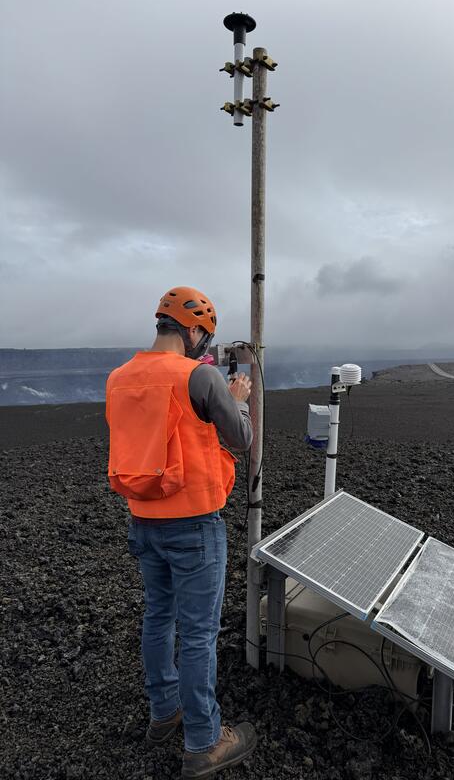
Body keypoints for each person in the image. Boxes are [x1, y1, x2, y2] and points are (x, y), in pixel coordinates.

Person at [105, 286, 257, 779]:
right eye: (203, 337)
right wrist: (239, 402)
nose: (204, 346)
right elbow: (241, 437)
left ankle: (163, 713)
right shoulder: (200, 376)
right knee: (197, 635)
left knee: (158, 618)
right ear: (192, 330)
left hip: (143, 520)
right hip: (194, 525)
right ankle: (203, 741)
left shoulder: (119, 378)